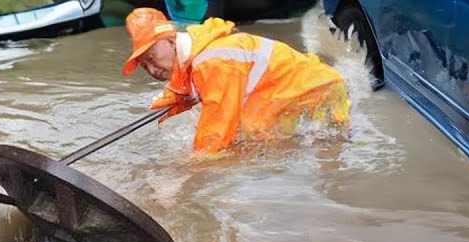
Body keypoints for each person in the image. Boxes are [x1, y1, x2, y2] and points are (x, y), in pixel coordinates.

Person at [122, 8, 351, 155]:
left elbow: (214, 137)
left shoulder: (211, 62)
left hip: (318, 97)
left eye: (151, 57)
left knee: (290, 150)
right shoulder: (197, 50)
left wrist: (185, 174)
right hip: (314, 88)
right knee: (251, 141)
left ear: (170, 39)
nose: (152, 69)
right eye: (144, 65)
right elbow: (186, 87)